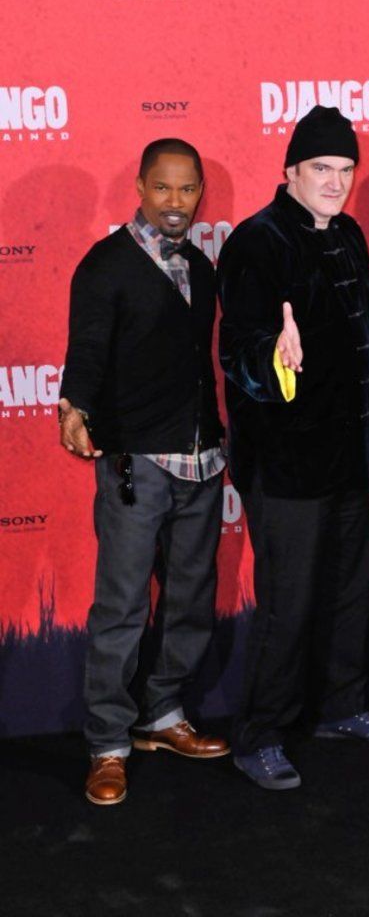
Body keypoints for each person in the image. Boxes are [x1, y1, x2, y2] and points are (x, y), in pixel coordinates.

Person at [217, 105, 369, 790]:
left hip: (350, 451)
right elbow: (237, 351)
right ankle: (260, 736)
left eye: (345, 169)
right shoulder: (257, 242)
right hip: (287, 463)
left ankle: (342, 707)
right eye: (321, 168)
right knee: (288, 603)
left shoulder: (349, 234)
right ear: (290, 171)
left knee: (349, 589)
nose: (335, 182)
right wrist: (273, 353)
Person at [59, 138, 228, 805]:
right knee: (123, 604)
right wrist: (74, 407)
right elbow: (87, 348)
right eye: (162, 187)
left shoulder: (203, 267)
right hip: (137, 461)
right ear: (139, 187)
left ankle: (163, 714)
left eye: (187, 189)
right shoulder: (107, 265)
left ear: (200, 193)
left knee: (192, 597)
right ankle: (107, 742)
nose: (175, 201)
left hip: (202, 459)